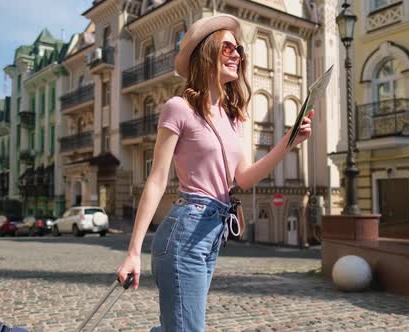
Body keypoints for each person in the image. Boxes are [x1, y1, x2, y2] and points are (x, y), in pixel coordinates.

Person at [116, 14, 314, 332]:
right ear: (207, 52)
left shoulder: (235, 117)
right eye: (227, 48)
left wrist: (288, 142)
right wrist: (133, 252)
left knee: (177, 327)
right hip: (184, 234)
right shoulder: (178, 108)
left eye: (239, 50)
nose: (237, 54)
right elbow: (156, 179)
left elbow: (245, 178)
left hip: (213, 232)